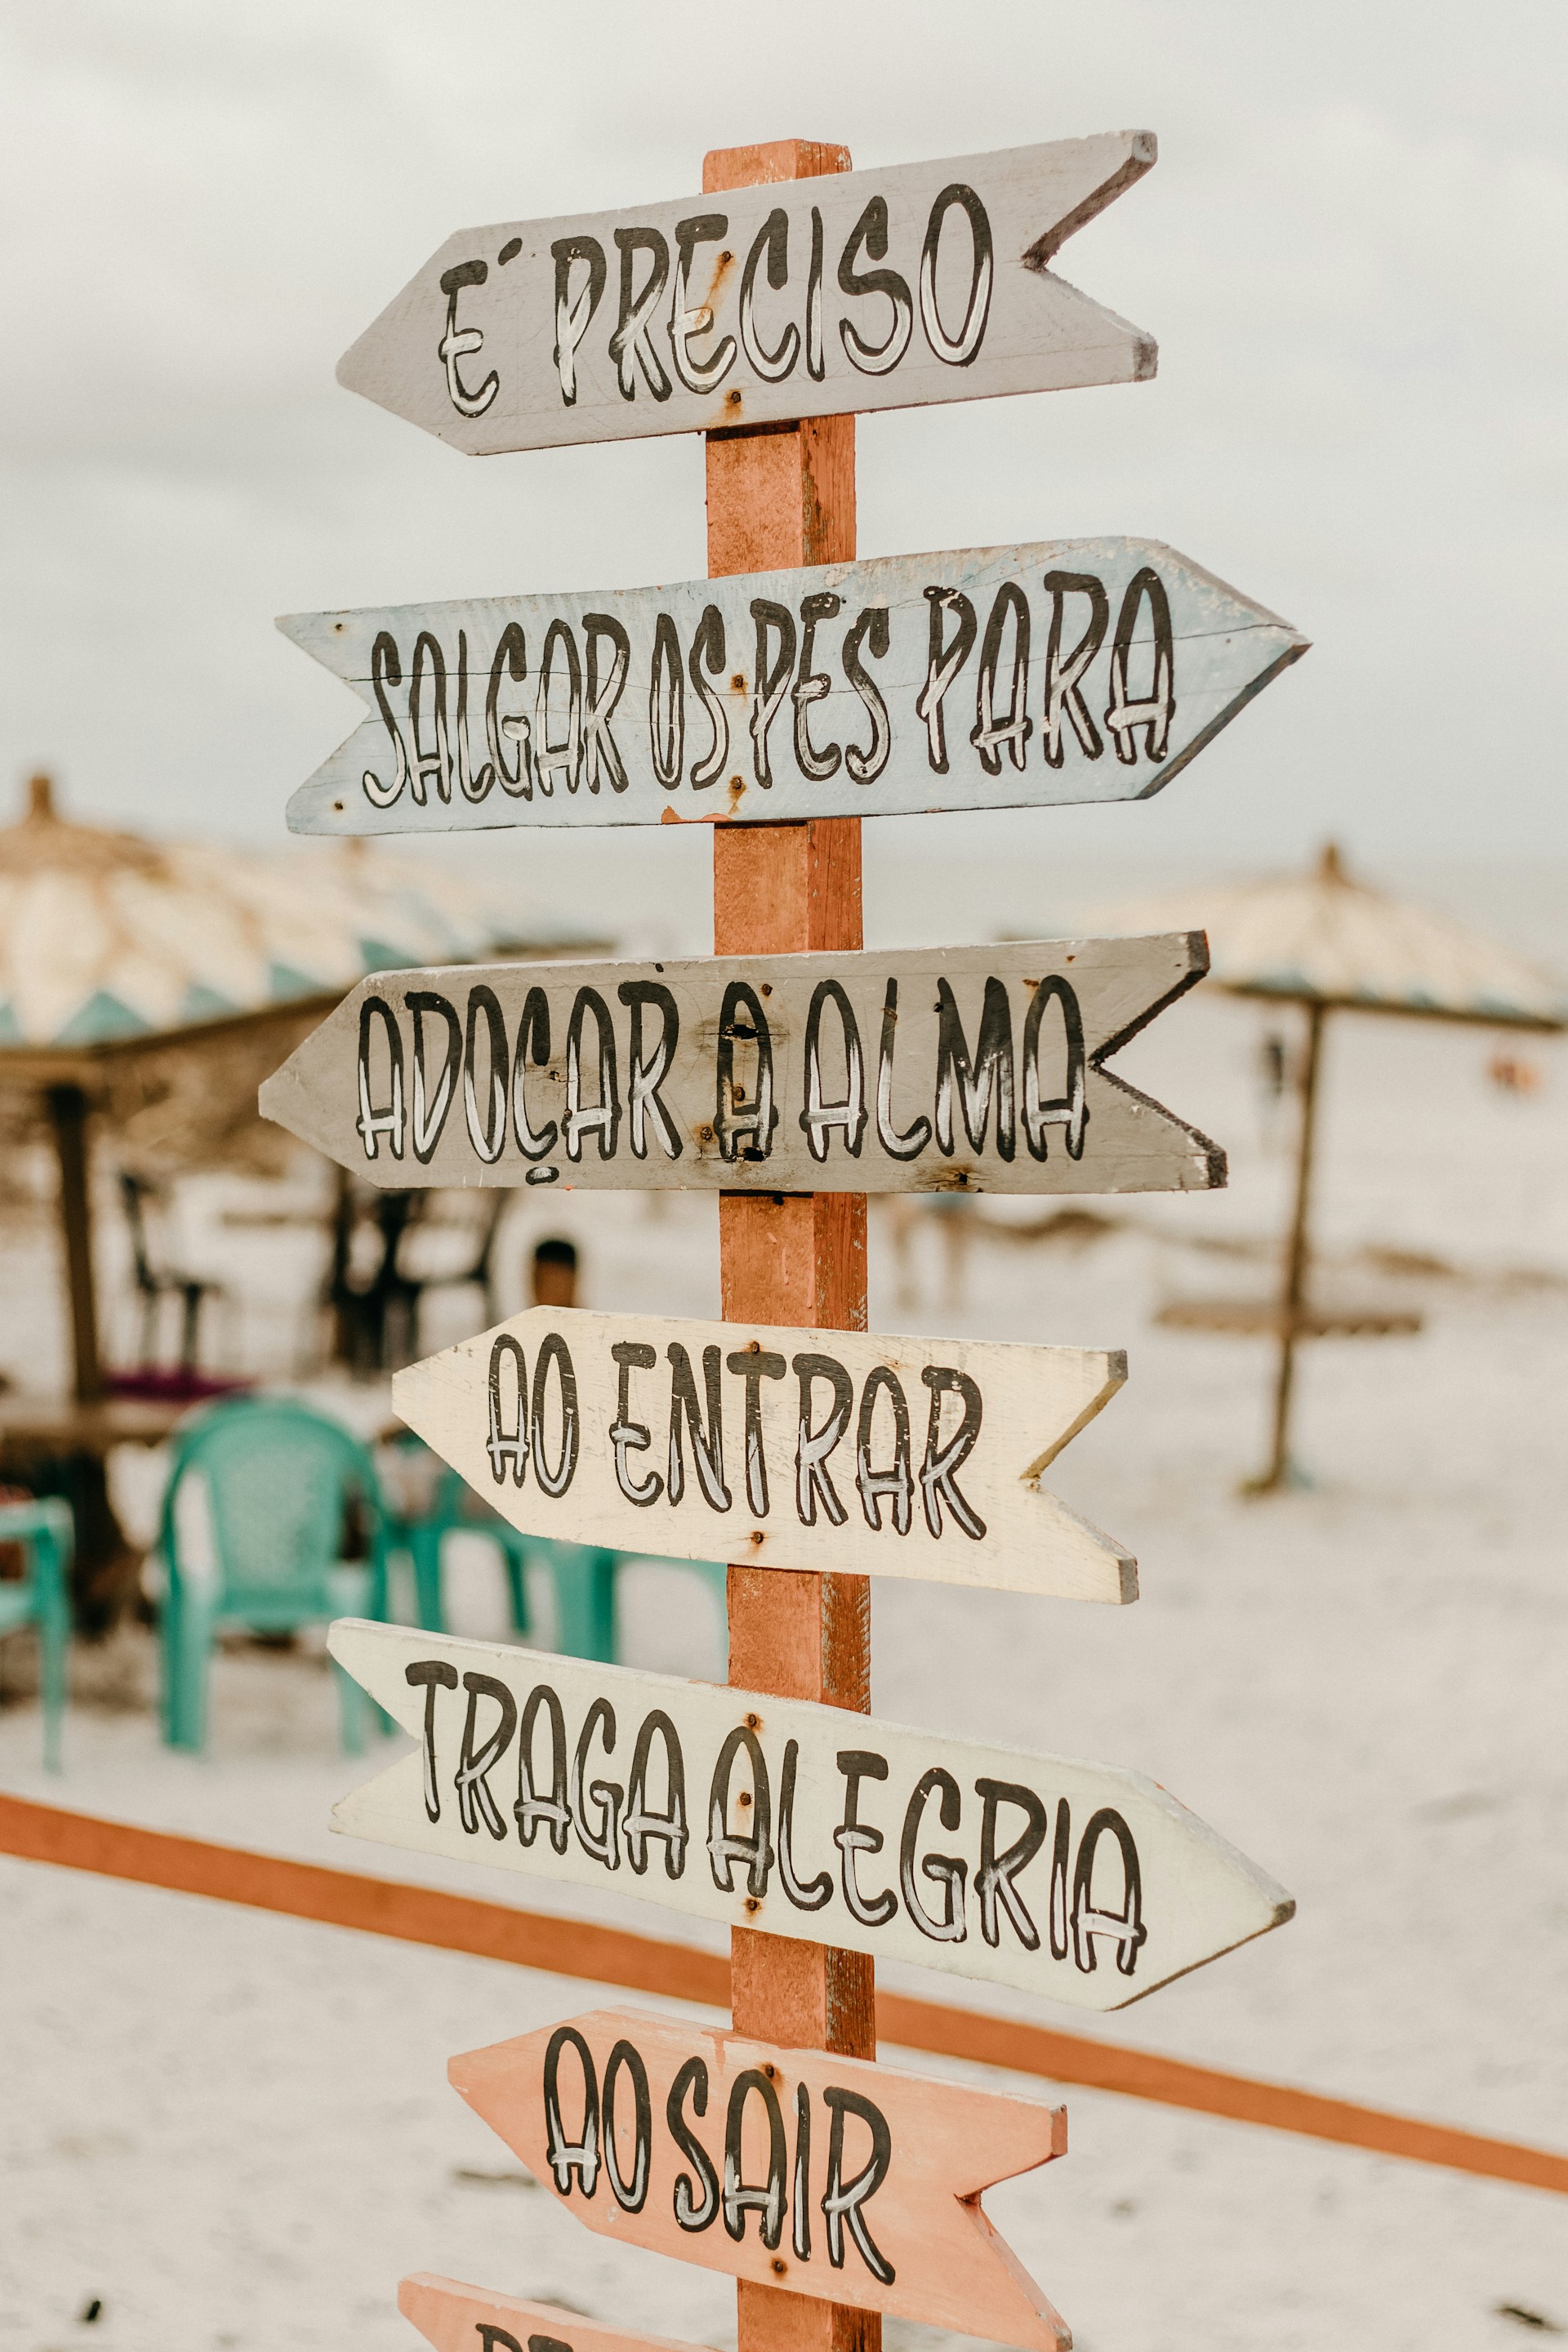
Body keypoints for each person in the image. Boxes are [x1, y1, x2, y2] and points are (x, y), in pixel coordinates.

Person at [531, 1237, 578, 1309]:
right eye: (538, 1281)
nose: (538, 1292)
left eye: (548, 1283)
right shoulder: (525, 1318)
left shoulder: (589, 1319)